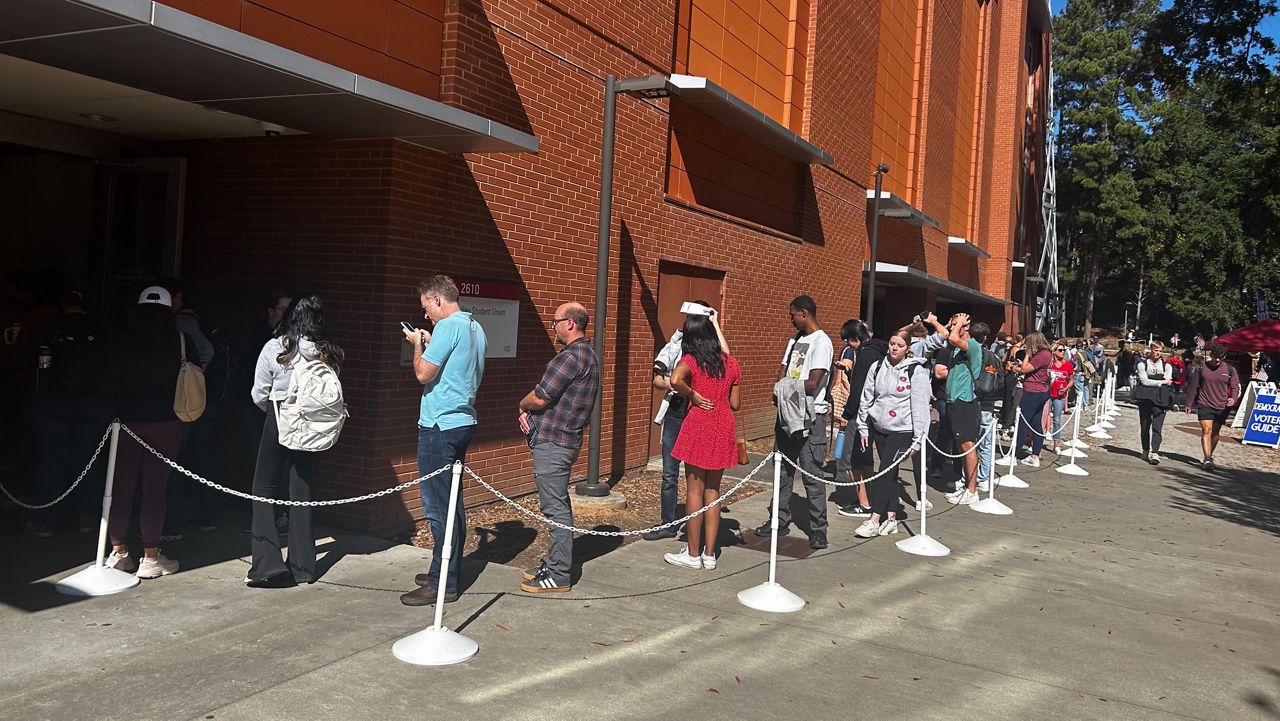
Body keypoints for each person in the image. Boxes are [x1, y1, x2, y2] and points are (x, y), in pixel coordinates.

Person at [245, 294, 344, 587]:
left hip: (278, 418)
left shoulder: (276, 348)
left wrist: (274, 413)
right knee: (301, 489)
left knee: (263, 487)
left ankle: (268, 565)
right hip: (313, 426)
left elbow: (258, 393)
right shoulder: (329, 351)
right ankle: (303, 567)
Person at [400, 276, 487, 605]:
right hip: (462, 420)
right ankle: (447, 568)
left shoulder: (448, 328)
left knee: (439, 509)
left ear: (437, 299)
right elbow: (455, 367)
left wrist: (419, 345)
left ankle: (442, 582)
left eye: (426, 307)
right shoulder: (475, 328)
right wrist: (432, 340)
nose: (425, 316)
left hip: (439, 425)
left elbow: (424, 373)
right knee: (453, 505)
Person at [104, 286, 192, 579]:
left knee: (122, 488)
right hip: (166, 422)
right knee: (155, 491)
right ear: (170, 311)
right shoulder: (181, 340)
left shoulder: (121, 340)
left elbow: (110, 379)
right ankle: (151, 558)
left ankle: (119, 552)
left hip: (126, 421)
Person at [517, 302, 599, 593]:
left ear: (570, 323)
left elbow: (540, 397)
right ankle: (554, 565)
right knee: (557, 505)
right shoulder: (589, 355)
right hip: (566, 440)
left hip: (554, 444)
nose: (553, 327)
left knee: (555, 509)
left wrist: (522, 406)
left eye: (555, 322)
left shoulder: (569, 358)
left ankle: (559, 575)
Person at [26, 289, 110, 537]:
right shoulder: (102, 329)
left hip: (51, 402)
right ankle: (87, 517)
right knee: (88, 462)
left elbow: (26, 357)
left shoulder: (48, 327)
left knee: (50, 462)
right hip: (93, 404)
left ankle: (46, 520)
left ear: (63, 303)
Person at [662, 312, 740, 570]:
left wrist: (693, 394)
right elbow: (735, 404)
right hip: (723, 424)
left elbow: (674, 380)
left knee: (694, 490)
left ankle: (692, 554)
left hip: (700, 423)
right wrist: (717, 323)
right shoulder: (730, 363)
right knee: (713, 491)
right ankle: (710, 553)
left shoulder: (691, 360)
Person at [643, 300, 724, 541]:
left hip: (698, 417)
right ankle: (668, 522)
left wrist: (716, 324)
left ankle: (695, 531)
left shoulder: (712, 348)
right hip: (676, 413)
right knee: (670, 473)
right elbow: (658, 378)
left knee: (698, 480)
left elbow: (729, 360)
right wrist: (677, 385)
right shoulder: (677, 343)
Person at [758, 295, 833, 549]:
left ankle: (818, 529)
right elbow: (784, 369)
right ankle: (778, 520)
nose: (790, 319)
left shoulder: (821, 342)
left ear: (804, 312)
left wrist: (784, 388)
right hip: (786, 414)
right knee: (782, 470)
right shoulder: (795, 340)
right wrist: (779, 388)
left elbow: (813, 383)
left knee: (812, 474)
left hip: (809, 416)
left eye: (793, 314)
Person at [854, 330, 930, 538]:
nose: (894, 348)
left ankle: (874, 519)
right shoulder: (877, 366)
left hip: (903, 430)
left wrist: (918, 439)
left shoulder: (916, 371)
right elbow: (867, 397)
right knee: (891, 474)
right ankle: (891, 518)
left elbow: (921, 406)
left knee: (884, 472)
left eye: (900, 345)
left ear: (907, 349)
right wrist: (863, 426)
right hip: (880, 427)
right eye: (892, 343)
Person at [942, 315, 987, 505]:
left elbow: (952, 337)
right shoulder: (957, 346)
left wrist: (960, 323)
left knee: (968, 445)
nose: (953, 328)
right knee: (961, 445)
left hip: (965, 400)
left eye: (957, 325)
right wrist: (937, 322)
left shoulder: (973, 345)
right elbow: (947, 335)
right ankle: (965, 484)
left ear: (966, 327)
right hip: (954, 400)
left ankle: (972, 490)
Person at [834, 319, 875, 517]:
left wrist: (846, 414)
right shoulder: (879, 350)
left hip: (860, 415)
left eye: (849, 341)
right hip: (876, 414)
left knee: (853, 459)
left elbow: (858, 389)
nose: (848, 345)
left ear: (855, 339)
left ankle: (864, 504)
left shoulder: (865, 355)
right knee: (866, 457)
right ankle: (870, 498)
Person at [1184, 343, 1241, 471]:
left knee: (1215, 432)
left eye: (1220, 358)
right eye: (1215, 357)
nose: (1217, 360)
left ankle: (1208, 455)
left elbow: (1235, 386)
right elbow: (1194, 387)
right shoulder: (1201, 368)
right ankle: (1208, 458)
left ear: (1224, 357)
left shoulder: (1230, 370)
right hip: (1204, 403)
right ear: (1211, 355)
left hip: (1222, 405)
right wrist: (1188, 403)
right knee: (1207, 430)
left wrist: (1234, 398)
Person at [1007, 331, 1052, 467]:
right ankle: (1035, 455)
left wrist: (1027, 354)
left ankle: (1013, 454)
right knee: (1036, 423)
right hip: (1040, 391)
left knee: (1022, 422)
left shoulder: (1041, 355)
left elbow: (1025, 368)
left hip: (1033, 392)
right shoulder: (1047, 354)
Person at [1133, 342, 1173, 465]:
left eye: (1160, 351)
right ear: (1151, 350)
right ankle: (1145, 449)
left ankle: (1155, 452)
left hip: (1160, 399)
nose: (1158, 353)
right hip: (1145, 399)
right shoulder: (1142, 364)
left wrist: (1162, 382)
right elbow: (1144, 381)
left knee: (1157, 427)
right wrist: (1161, 382)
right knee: (1145, 426)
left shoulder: (1166, 366)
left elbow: (1169, 380)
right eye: (1156, 350)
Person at [1047, 342, 1074, 454]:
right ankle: (1034, 442)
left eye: (1063, 350)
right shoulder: (1049, 364)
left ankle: (1056, 445)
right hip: (1048, 393)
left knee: (1057, 420)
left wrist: (1067, 388)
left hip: (1060, 396)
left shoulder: (1068, 365)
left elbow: (1071, 379)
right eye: (1060, 350)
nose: (1062, 352)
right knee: (1042, 417)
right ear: (1054, 351)